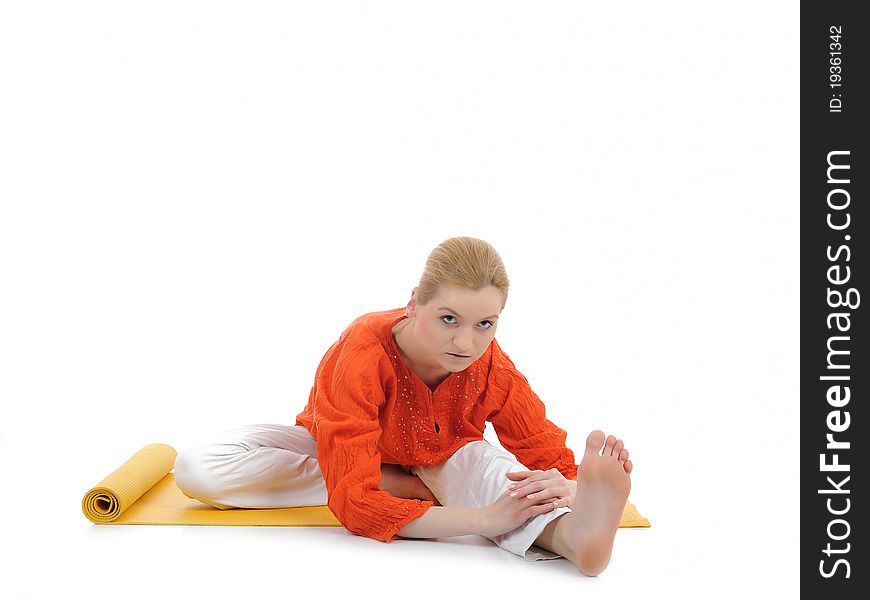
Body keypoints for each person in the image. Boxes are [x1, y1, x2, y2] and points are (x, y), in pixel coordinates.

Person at [174, 236, 633, 576]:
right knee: (197, 468)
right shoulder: (362, 351)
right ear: (414, 303)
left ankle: (576, 540)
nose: (465, 342)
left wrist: (565, 484)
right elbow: (354, 506)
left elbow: (544, 450)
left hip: (443, 457)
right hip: (342, 452)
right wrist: (484, 519)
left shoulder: (492, 366)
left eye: (484, 324)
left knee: (498, 473)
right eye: (448, 319)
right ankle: (408, 488)